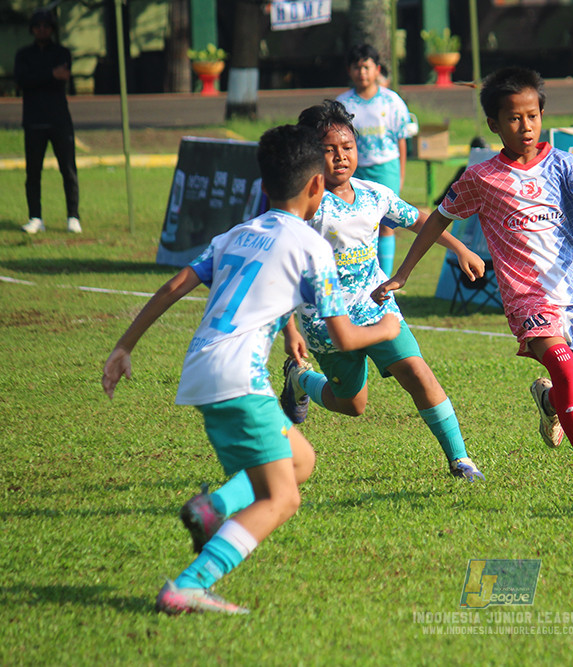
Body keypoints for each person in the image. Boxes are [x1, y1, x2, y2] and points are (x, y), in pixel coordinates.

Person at [101, 125, 400, 615]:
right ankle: (189, 585)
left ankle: (213, 508)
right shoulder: (312, 245)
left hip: (204, 368)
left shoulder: (238, 233)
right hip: (240, 378)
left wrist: (124, 345)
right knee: (282, 500)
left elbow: (178, 282)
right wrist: (387, 328)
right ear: (317, 186)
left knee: (301, 459)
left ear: (264, 187)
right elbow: (345, 336)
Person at [372, 67, 573, 506]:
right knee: (567, 370)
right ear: (494, 124)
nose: (526, 126)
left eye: (532, 116)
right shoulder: (482, 178)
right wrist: (403, 272)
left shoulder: (564, 165)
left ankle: (550, 402)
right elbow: (440, 216)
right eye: (514, 118)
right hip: (528, 300)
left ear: (542, 115)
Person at [279, 99, 486, 482]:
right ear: (310, 154)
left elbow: (420, 219)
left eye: (348, 148)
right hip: (328, 322)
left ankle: (461, 461)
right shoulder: (305, 208)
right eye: (329, 150)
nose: (341, 157)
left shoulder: (374, 194)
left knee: (419, 373)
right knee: (352, 405)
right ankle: (300, 377)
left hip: (377, 309)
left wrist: (460, 248)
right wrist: (289, 328)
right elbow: (283, 270)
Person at [336, 44, 412, 276]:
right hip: (354, 170)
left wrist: (399, 175)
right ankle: (360, 274)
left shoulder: (392, 101)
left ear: (377, 69)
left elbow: (401, 140)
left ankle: (384, 280)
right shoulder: (343, 104)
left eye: (367, 67)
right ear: (350, 71)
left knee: (387, 224)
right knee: (356, 223)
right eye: (357, 68)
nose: (362, 73)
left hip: (385, 167)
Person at [15, 9, 81, 235]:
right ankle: (35, 217)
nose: (42, 30)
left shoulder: (61, 52)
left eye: (46, 26)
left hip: (59, 120)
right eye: (38, 26)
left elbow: (62, 76)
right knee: (33, 172)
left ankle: (73, 216)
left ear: (52, 29)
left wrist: (44, 75)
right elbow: (23, 80)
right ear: (32, 29)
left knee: (68, 169)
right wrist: (50, 74)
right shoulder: (24, 54)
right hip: (34, 121)